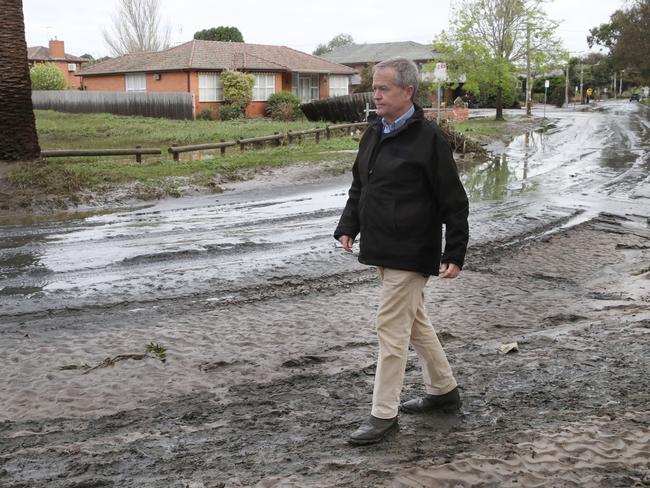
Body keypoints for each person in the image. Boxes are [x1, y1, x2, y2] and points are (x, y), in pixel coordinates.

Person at [334, 57, 469, 445]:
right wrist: (348, 226)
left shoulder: (429, 139)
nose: (375, 95)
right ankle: (443, 391)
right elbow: (361, 186)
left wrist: (454, 251)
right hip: (382, 247)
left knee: (390, 330)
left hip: (412, 251)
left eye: (383, 89)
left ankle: (383, 415)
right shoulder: (374, 132)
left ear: (407, 91)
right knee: (415, 325)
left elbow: (454, 201)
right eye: (374, 88)